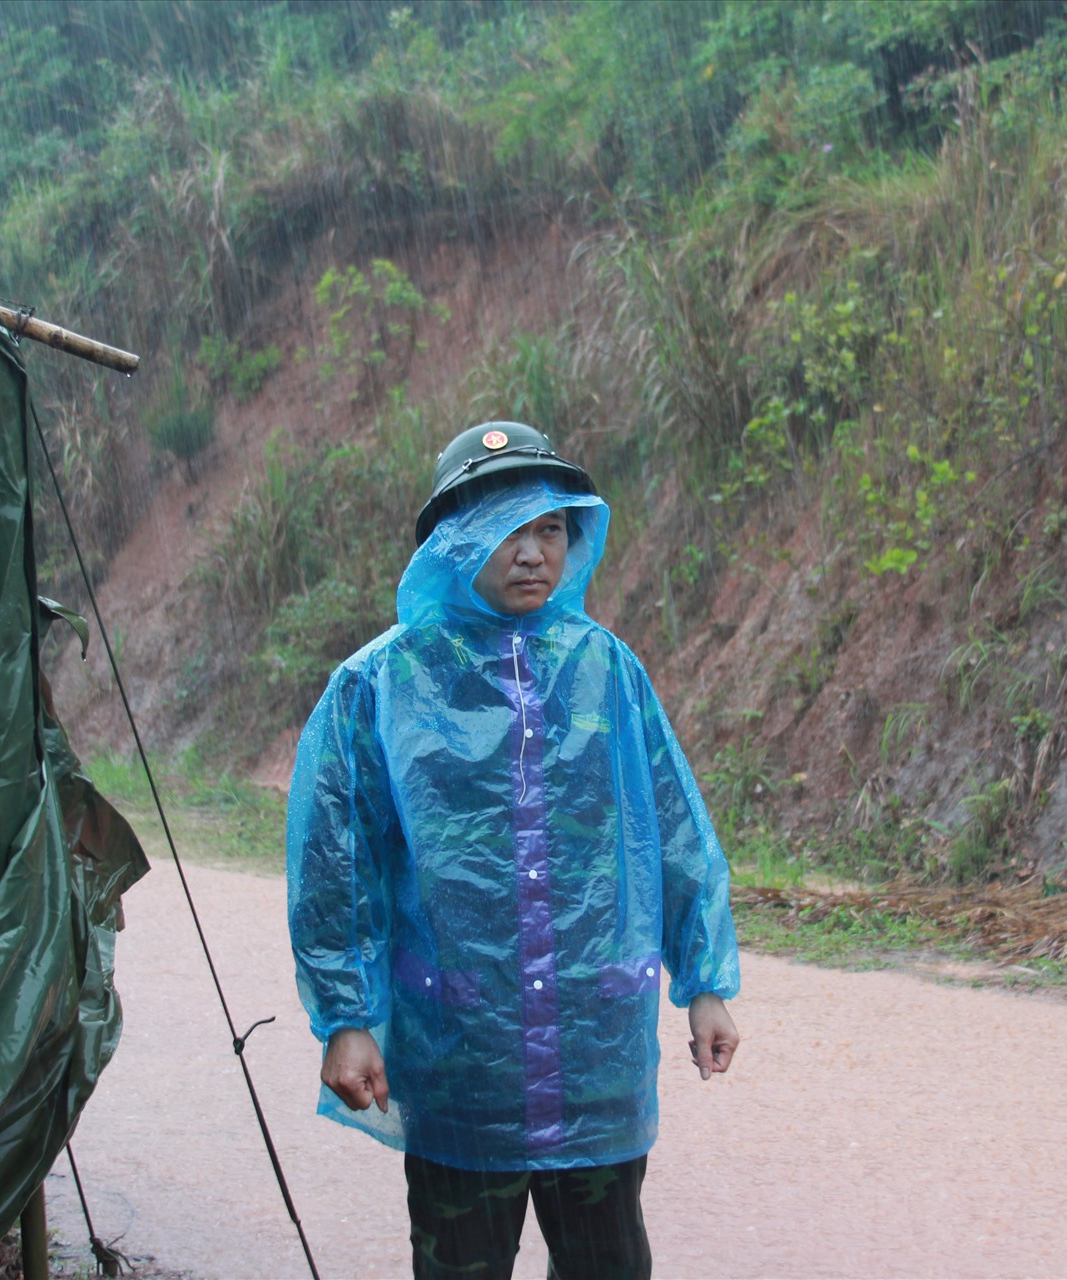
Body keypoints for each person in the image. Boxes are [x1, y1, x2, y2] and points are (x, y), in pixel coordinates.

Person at [287, 421, 740, 1280]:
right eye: (508, 531)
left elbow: (673, 831)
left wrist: (707, 982)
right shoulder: (380, 685)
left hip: (595, 1063)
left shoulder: (608, 670)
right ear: (455, 540)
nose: (533, 554)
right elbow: (336, 871)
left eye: (551, 530)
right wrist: (347, 1019)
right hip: (463, 1066)